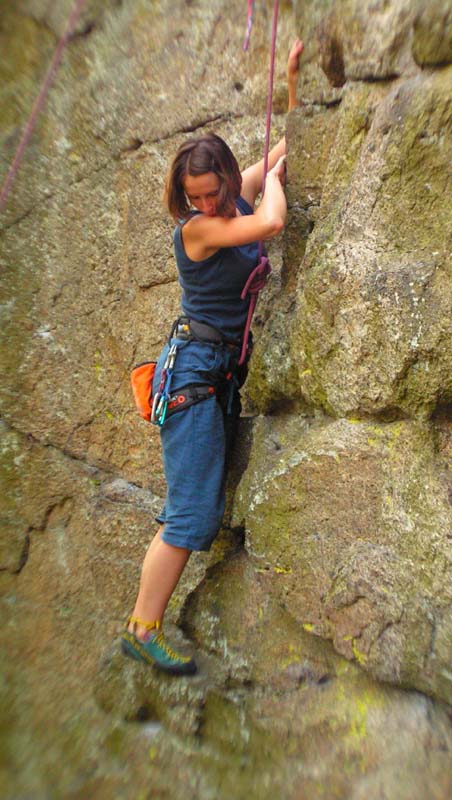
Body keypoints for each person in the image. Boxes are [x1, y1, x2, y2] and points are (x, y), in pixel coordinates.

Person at [121, 39, 304, 675]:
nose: (201, 204)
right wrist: (268, 187)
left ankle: (142, 625)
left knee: (198, 507)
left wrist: (290, 85)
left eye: (210, 191)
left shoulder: (232, 198)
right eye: (192, 195)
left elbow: (288, 147)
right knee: (190, 513)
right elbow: (272, 224)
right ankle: (143, 629)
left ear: (226, 179)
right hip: (195, 375)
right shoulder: (198, 230)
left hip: (214, 374)